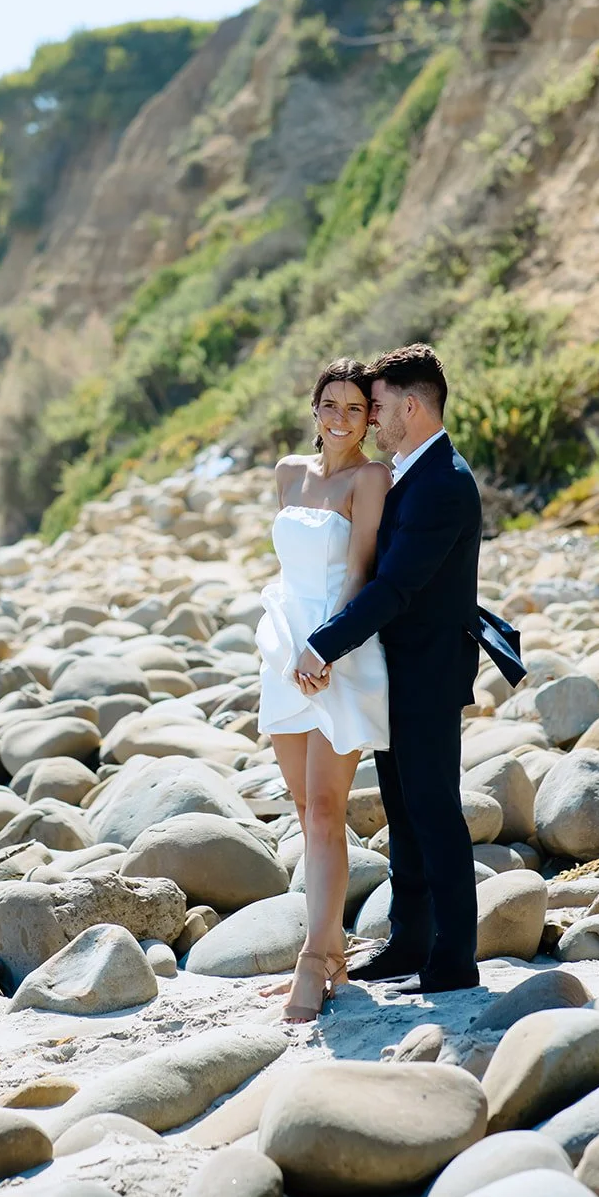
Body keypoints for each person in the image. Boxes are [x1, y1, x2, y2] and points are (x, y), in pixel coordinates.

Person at [294, 343, 484, 994]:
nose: (372, 419)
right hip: (389, 670)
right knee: (402, 815)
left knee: (433, 812)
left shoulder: (444, 483)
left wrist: (323, 644)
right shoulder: (407, 472)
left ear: (409, 404)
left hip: (426, 674)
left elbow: (395, 588)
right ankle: (408, 942)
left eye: (376, 407)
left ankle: (454, 957)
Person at [256, 357, 391, 1022]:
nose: (340, 419)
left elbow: (359, 569)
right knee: (303, 811)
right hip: (285, 647)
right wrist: (293, 647)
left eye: (354, 409)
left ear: (370, 418)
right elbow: (287, 569)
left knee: (326, 807)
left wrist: (328, 646)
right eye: (328, 406)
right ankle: (331, 946)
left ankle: (313, 958)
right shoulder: (285, 474)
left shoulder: (371, 478)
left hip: (338, 648)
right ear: (313, 411)